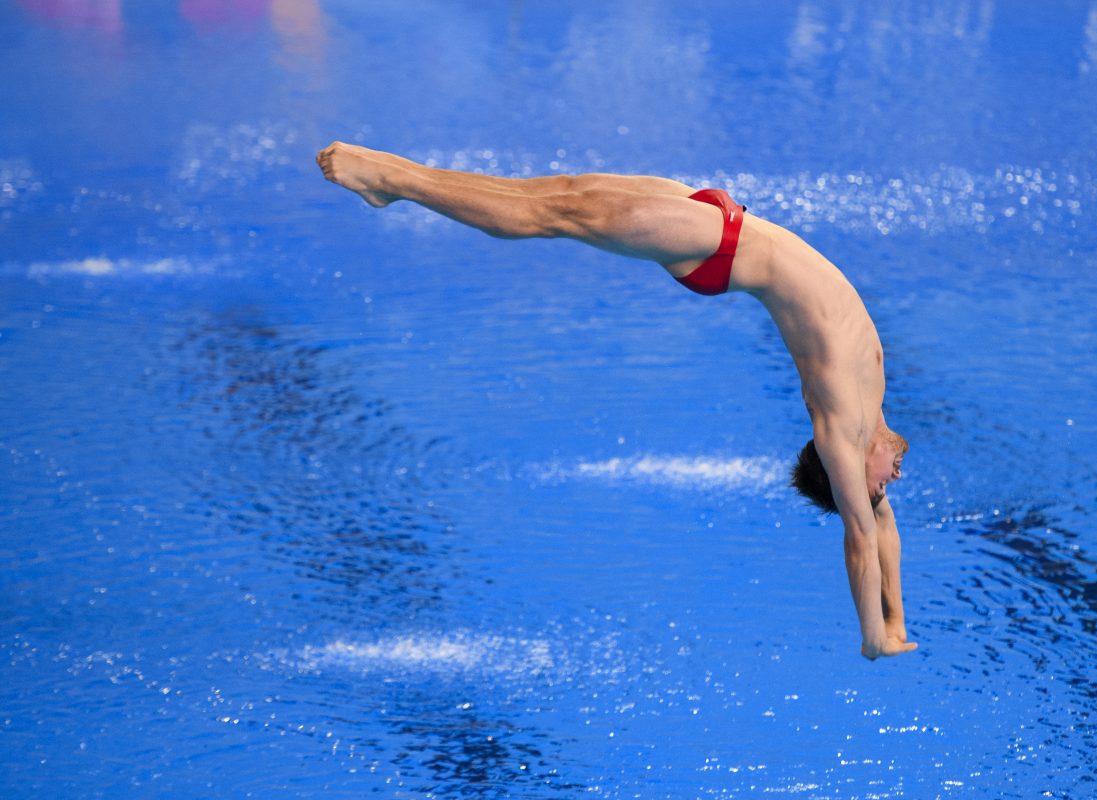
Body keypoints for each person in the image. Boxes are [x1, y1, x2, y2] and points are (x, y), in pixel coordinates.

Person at [316, 142, 916, 661]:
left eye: (877, 488)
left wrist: (870, 636)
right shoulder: (872, 416)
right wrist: (895, 622)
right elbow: (881, 529)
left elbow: (861, 537)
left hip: (719, 247)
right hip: (719, 218)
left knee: (553, 216)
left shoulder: (840, 428)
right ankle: (396, 179)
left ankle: (394, 180)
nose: (892, 481)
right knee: (562, 191)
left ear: (841, 473)